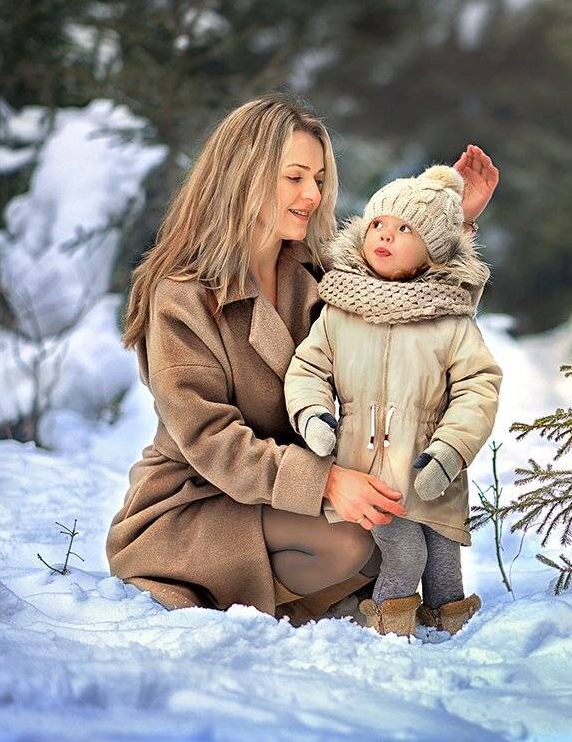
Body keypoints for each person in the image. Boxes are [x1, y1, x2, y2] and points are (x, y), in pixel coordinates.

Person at [105, 94, 499, 624]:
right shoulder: (182, 293)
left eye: (317, 178)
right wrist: (326, 483)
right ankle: (304, 591)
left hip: (289, 494)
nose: (312, 194)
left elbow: (420, 328)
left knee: (402, 532)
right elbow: (208, 437)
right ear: (244, 176)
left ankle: (321, 589)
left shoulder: (319, 273)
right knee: (356, 546)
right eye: (294, 177)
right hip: (198, 500)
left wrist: (445, 225)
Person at [284, 165, 502, 637]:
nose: (385, 235)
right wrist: (313, 415)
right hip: (369, 470)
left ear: (433, 252)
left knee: (443, 555)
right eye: (378, 224)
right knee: (407, 552)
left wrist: (450, 450)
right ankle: (390, 625)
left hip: (430, 464)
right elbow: (308, 368)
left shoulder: (449, 320)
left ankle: (451, 628)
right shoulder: (341, 308)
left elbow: (477, 386)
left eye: (405, 230)